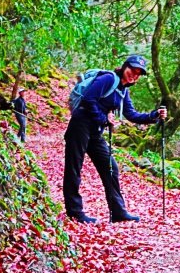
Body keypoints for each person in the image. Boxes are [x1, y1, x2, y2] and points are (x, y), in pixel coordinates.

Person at [63, 55, 168, 224]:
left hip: (95, 131)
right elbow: (88, 99)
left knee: (110, 167)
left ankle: (118, 212)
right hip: (80, 124)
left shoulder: (123, 91)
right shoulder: (109, 78)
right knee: (74, 167)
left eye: (138, 73)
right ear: (124, 67)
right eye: (132, 70)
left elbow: (131, 114)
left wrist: (155, 115)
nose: (134, 75)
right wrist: (103, 119)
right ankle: (75, 212)